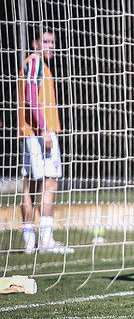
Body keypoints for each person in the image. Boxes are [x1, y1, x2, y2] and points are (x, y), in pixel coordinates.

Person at [18, 30, 72, 254]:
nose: (51, 46)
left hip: (33, 133)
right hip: (39, 133)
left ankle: (31, 242)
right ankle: (45, 240)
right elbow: (30, 98)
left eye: (53, 42)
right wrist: (44, 129)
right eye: (46, 41)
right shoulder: (35, 63)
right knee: (48, 183)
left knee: (31, 185)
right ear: (35, 42)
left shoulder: (40, 66)